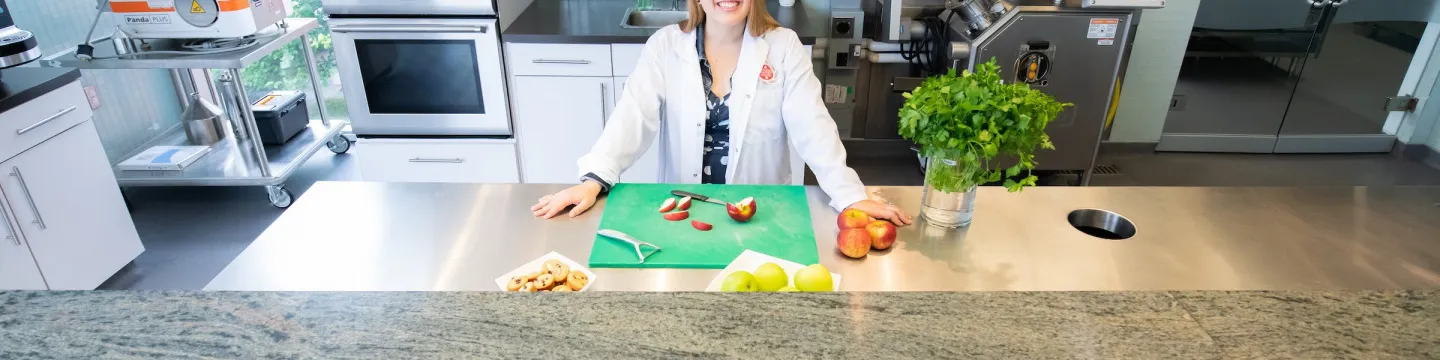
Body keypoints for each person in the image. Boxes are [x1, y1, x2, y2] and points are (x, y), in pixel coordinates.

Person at [530, 0, 912, 226]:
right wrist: (594, 180)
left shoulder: (783, 47)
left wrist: (849, 194)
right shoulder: (665, 46)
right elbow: (632, 116)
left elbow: (813, 126)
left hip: (760, 212)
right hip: (682, 207)